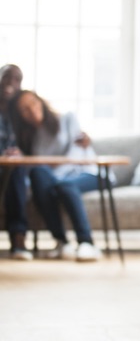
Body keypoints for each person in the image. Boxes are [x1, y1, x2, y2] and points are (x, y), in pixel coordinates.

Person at [8, 90, 102, 262]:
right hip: (57, 180)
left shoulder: (67, 119)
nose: (31, 110)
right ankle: (62, 241)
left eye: (33, 103)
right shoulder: (32, 137)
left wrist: (54, 179)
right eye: (24, 109)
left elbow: (76, 154)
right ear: (19, 116)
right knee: (38, 173)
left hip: (88, 172)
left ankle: (87, 243)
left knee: (64, 185)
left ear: (41, 102)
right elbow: (37, 170)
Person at [0, 64, 32, 260]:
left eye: (17, 79)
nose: (10, 83)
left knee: (17, 169)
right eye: (6, 77)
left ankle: (18, 239)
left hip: (11, 169)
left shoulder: (19, 112)